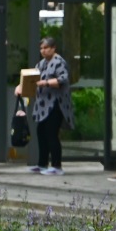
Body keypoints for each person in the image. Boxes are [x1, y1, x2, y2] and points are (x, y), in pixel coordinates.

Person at [30, 37, 75, 176]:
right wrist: (21, 87)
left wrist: (46, 83)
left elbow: (63, 79)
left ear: (53, 48)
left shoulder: (59, 62)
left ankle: (56, 165)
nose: (43, 51)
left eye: (46, 48)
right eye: (41, 48)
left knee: (51, 133)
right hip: (42, 105)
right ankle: (42, 164)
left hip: (55, 104)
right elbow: (31, 77)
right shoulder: (42, 63)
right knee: (41, 132)